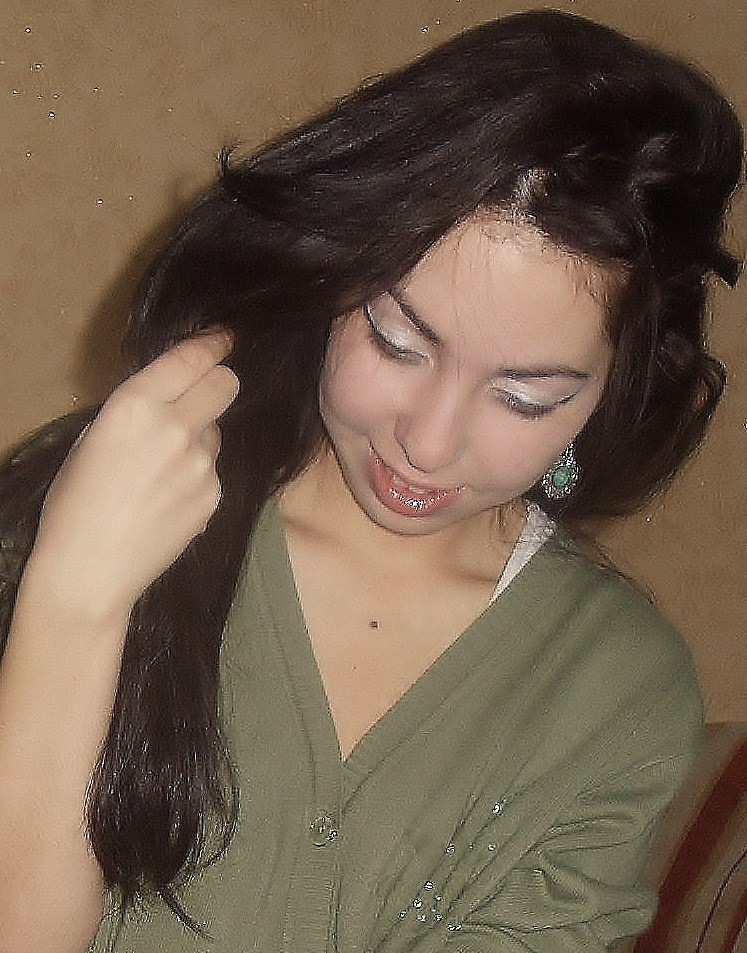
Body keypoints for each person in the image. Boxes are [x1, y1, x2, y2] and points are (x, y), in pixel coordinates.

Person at [0, 9, 742, 953]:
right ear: (333, 283)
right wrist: (71, 602)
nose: (427, 444)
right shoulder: (93, 516)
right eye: (397, 342)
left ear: (612, 395)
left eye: (525, 397)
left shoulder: (614, 691)